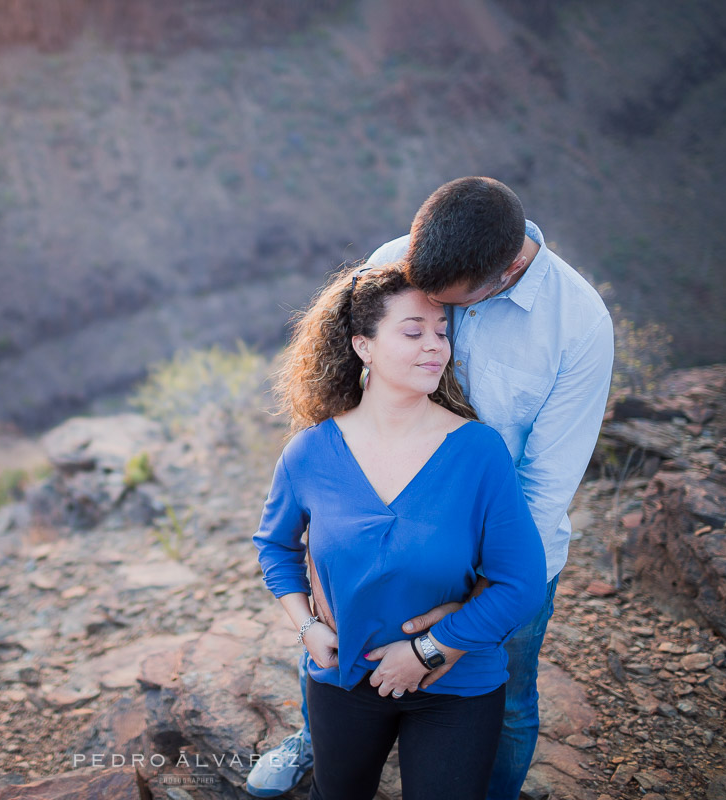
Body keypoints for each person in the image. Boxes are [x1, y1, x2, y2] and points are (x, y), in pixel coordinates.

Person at [246, 177, 614, 799]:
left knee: (513, 705)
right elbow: (344, 396)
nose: (436, 348)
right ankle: (324, 739)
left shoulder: (577, 326)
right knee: (338, 672)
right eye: (421, 323)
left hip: (500, 555)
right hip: (382, 524)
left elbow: (544, 486)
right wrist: (330, 541)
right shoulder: (399, 260)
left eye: (445, 322)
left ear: (504, 274)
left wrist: (462, 614)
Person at [253, 263, 546, 800]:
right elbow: (274, 546)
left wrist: (432, 649)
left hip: (454, 683)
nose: (435, 346)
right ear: (363, 345)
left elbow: (521, 583)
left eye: (442, 332)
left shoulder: (478, 452)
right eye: (413, 332)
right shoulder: (310, 453)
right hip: (344, 679)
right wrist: (306, 628)